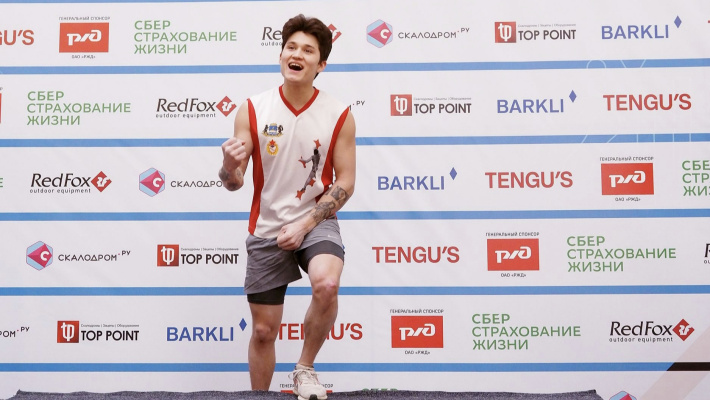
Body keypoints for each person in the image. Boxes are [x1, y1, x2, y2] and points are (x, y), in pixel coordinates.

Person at [218, 14, 356, 400]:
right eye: (291, 47)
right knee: (264, 331)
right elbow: (234, 182)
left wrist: (305, 224)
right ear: (281, 55)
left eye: (307, 50)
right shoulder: (252, 109)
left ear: (321, 64)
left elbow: (345, 181)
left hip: (316, 219)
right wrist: (228, 166)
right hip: (267, 226)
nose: (296, 55)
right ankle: (259, 396)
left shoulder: (339, 114)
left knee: (327, 284)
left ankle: (305, 369)